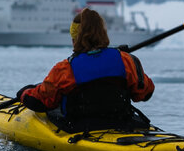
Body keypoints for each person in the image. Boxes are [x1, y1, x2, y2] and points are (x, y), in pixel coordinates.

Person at [16, 8, 155, 132]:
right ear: (102, 33)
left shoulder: (65, 69)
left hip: (80, 128)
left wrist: (24, 93)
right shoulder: (126, 60)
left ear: (76, 39)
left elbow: (41, 102)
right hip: (122, 124)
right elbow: (145, 93)